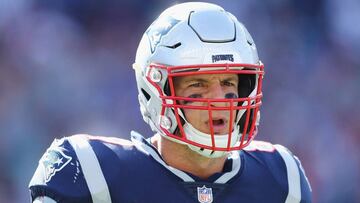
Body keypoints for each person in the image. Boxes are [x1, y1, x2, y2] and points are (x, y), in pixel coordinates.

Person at [29, 2, 312, 203]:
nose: (219, 101)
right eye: (198, 84)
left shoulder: (281, 179)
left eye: (228, 84)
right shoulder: (90, 173)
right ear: (156, 89)